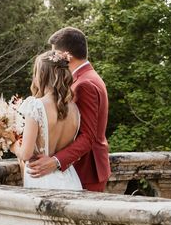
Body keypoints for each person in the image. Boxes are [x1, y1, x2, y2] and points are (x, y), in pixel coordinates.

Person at [11, 49, 81, 225]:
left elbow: (27, 153)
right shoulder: (73, 109)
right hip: (69, 181)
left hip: (42, 182)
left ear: (42, 74)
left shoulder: (35, 105)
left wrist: (11, 141)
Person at [27, 27, 111, 192]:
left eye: (54, 54)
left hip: (86, 171)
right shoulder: (87, 77)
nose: (53, 60)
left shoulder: (84, 84)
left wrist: (55, 161)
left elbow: (88, 136)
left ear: (67, 55)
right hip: (81, 170)